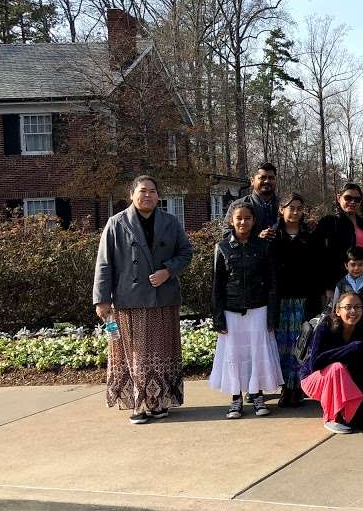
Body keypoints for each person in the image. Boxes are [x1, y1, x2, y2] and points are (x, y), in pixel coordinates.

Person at [93, 175, 194, 424]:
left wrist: (167, 270)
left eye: (152, 191)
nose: (147, 195)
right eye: (142, 191)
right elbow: (104, 264)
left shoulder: (170, 222)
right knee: (136, 355)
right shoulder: (116, 223)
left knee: (162, 352)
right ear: (131, 195)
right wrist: (101, 300)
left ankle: (158, 402)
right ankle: (138, 405)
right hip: (130, 301)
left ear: (158, 196)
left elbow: (186, 252)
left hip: (164, 298)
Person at [211, 201, 283, 419]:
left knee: (256, 353)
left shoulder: (263, 247)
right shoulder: (222, 247)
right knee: (235, 354)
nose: (243, 222)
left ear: (254, 221)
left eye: (247, 218)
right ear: (232, 220)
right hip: (232, 311)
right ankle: (236, 399)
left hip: (258, 309)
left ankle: (257, 395)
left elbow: (272, 283)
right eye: (239, 218)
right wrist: (218, 317)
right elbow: (217, 285)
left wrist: (272, 315)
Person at [299, 292, 363, 433]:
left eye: (358, 307)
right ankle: (331, 417)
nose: (353, 311)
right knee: (337, 367)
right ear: (337, 310)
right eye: (348, 307)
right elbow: (315, 364)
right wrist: (349, 348)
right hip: (314, 379)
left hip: (343, 380)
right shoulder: (325, 327)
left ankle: (346, 411)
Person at [270, 193, 317, 407]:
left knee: (301, 344)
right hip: (280, 299)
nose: (295, 212)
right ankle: (285, 388)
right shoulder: (272, 236)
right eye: (291, 207)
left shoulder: (309, 237)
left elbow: (317, 267)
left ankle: (298, 387)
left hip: (303, 298)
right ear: (282, 209)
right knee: (282, 345)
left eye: (299, 208)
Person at [313, 183, 363, 308]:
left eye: (357, 199)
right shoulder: (329, 222)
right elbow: (319, 257)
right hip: (338, 285)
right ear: (338, 197)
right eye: (348, 198)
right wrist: (327, 287)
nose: (352, 202)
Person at [221, 162, 279, 240]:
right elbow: (226, 234)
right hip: (248, 251)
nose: (267, 181)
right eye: (262, 178)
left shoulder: (284, 206)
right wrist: (255, 238)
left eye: (271, 178)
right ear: (252, 181)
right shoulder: (238, 205)